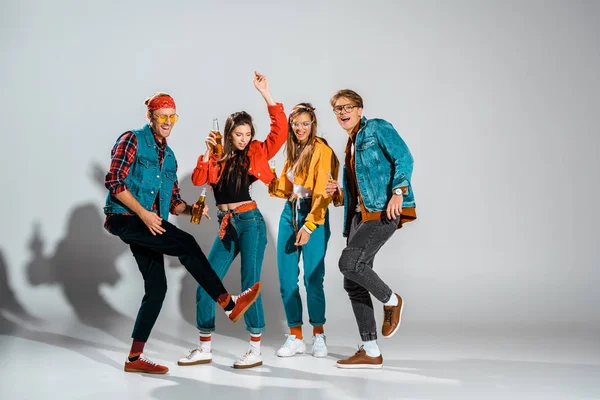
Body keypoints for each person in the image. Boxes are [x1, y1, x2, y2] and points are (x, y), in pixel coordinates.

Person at [103, 92, 262, 374]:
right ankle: (228, 303)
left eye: (171, 117)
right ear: (150, 117)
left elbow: (173, 202)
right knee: (186, 243)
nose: (167, 122)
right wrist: (143, 213)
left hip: (148, 225)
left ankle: (134, 358)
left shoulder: (170, 156)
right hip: (126, 218)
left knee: (157, 289)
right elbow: (114, 182)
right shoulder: (133, 139)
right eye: (162, 116)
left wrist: (191, 210)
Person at [177, 71, 287, 369]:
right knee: (206, 280)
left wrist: (266, 93)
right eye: (239, 135)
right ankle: (204, 347)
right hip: (226, 225)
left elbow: (280, 131)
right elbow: (200, 178)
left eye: (248, 134)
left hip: (250, 222)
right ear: (229, 134)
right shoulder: (217, 156)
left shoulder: (256, 152)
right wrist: (207, 152)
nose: (244, 139)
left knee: (249, 284)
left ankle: (255, 348)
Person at [325, 89, 417, 369]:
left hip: (382, 210)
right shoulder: (350, 144)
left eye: (348, 107)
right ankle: (371, 350)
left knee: (349, 263)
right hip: (358, 218)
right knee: (352, 280)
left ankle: (391, 300)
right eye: (338, 109)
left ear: (360, 109)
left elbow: (405, 158)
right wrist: (338, 194)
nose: (342, 112)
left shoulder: (377, 128)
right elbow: (357, 189)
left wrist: (399, 192)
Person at [269, 103, 339, 358]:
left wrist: (309, 226)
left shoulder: (322, 150)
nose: (300, 128)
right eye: (296, 124)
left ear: (313, 125)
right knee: (287, 280)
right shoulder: (293, 150)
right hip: (290, 213)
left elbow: (322, 193)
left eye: (305, 123)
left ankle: (318, 335)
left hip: (314, 214)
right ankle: (295, 336)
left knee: (312, 279)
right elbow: (284, 191)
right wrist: (271, 175)